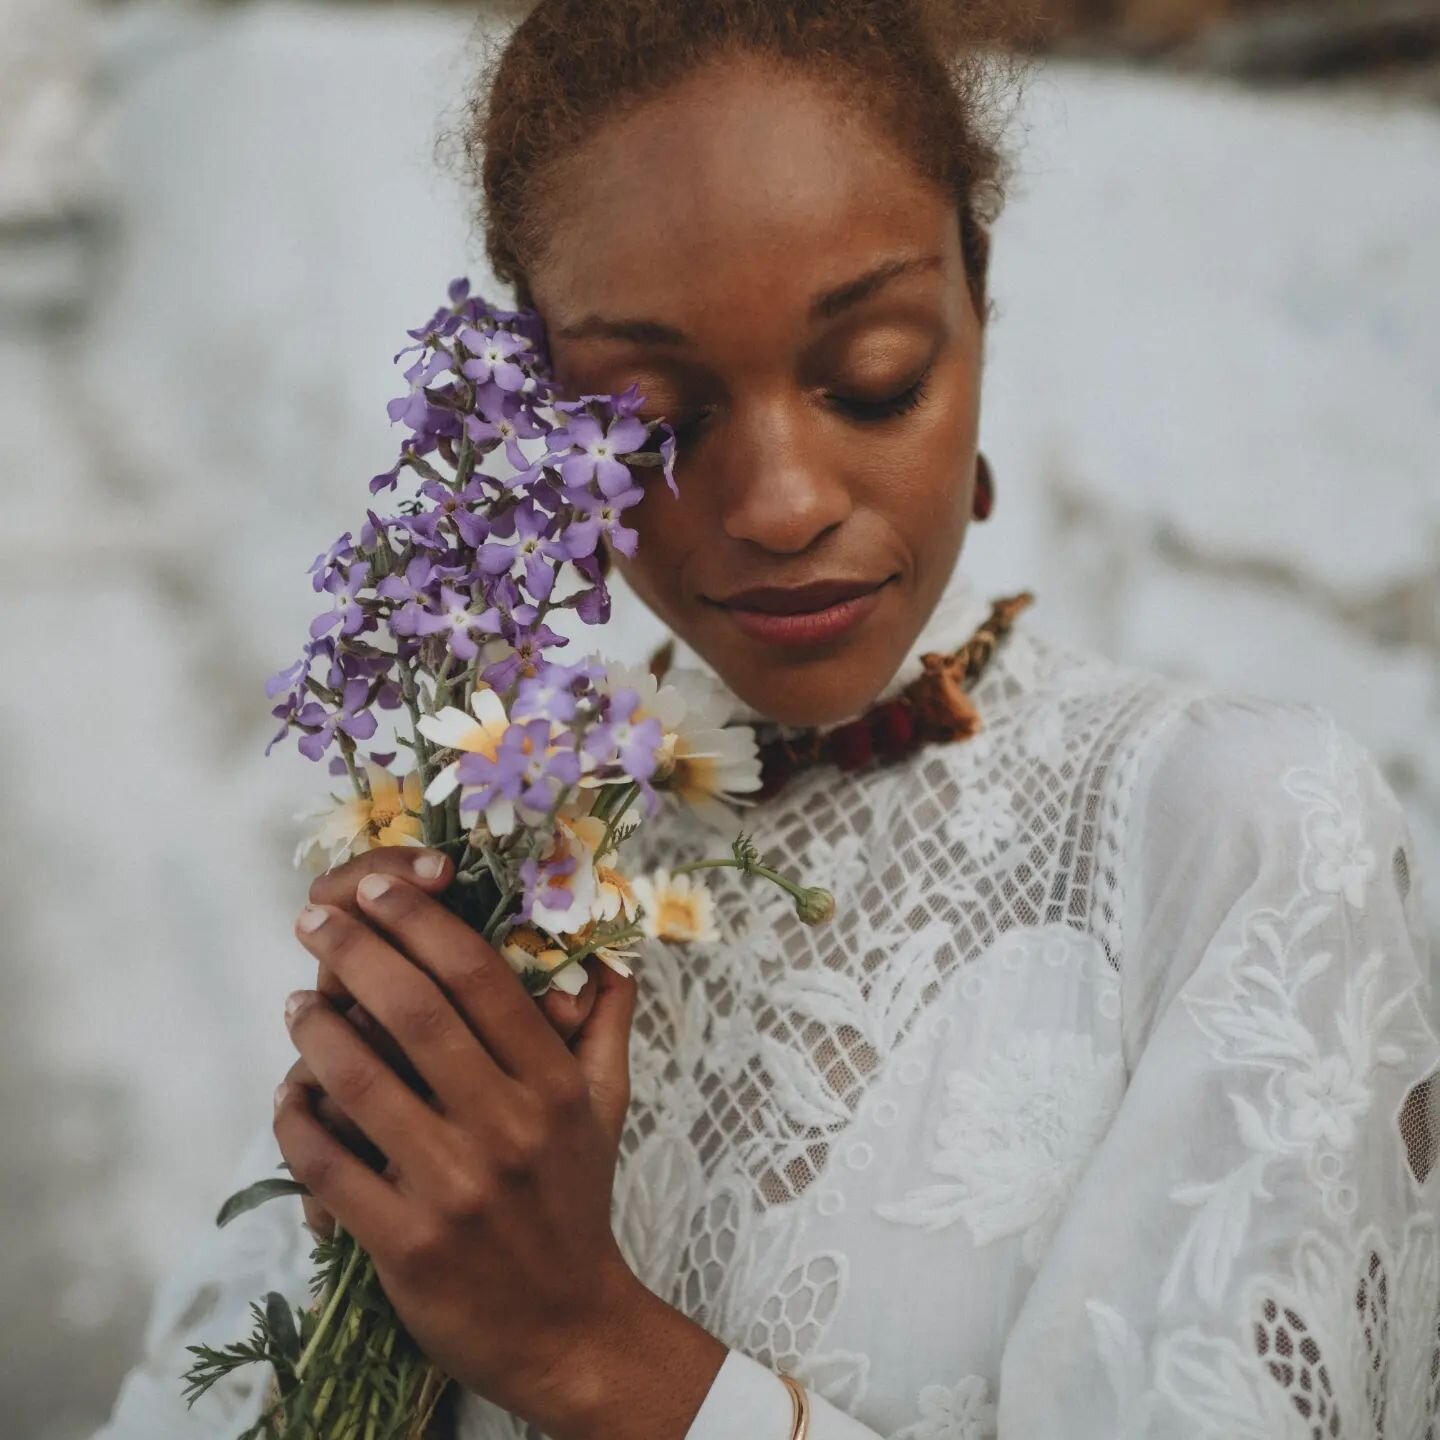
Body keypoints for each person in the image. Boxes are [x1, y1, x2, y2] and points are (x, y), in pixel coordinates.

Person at [94, 2, 1439, 1438]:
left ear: (978, 306)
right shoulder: (535, 847)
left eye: (874, 380)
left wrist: (585, 1349)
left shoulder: (1241, 837)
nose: (783, 503)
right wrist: (385, 1216)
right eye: (653, 415)